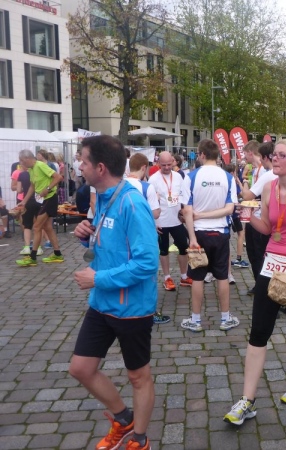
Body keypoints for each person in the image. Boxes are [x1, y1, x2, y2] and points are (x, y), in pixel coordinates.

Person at [69, 135, 159, 450]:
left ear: (100, 167)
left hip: (132, 307)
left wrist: (98, 278)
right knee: (81, 368)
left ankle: (140, 439)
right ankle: (124, 419)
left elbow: (147, 263)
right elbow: (109, 243)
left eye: (83, 161)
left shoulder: (132, 203)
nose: (79, 166)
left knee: (138, 376)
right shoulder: (104, 197)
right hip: (102, 303)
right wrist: (86, 236)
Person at [223, 138, 286, 425]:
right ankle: (247, 400)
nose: (274, 158)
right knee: (258, 331)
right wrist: (247, 216)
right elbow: (267, 227)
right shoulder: (269, 187)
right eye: (274, 154)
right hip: (271, 265)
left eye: (280, 155)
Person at [181, 139, 240, 332]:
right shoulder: (228, 177)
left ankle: (195, 320)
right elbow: (230, 209)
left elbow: (187, 211)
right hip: (220, 233)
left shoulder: (191, 176)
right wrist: (205, 216)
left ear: (202, 154)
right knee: (222, 276)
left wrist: (192, 238)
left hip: (198, 233)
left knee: (197, 278)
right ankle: (225, 318)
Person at [127, 153, 168, 325]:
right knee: (148, 273)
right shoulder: (146, 187)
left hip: (125, 237)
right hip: (144, 236)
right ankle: (149, 312)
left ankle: (129, 306)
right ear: (144, 167)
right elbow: (155, 213)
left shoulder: (119, 184)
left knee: (128, 269)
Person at [149, 151, 191, 292]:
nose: (167, 167)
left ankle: (184, 276)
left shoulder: (178, 176)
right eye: (163, 165)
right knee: (163, 250)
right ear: (158, 163)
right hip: (161, 221)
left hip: (177, 220)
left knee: (184, 247)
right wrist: (154, 223)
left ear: (173, 162)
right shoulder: (153, 179)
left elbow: (183, 195)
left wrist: (183, 211)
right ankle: (167, 278)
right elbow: (150, 203)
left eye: (169, 164)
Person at [15, 149, 64, 267]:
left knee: (37, 226)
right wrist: (24, 202)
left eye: (21, 161)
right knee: (47, 227)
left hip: (50, 198)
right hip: (42, 200)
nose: (21, 163)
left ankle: (32, 257)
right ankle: (57, 254)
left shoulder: (40, 165)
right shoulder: (31, 169)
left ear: (27, 158)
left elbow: (58, 177)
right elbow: (32, 186)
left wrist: (47, 189)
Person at [239, 142, 277, 291]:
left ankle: (263, 287)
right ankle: (263, 286)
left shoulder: (268, 174)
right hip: (266, 218)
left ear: (265, 157)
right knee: (260, 255)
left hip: (259, 219)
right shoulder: (265, 172)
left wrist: (244, 182)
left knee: (257, 255)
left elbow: (247, 196)